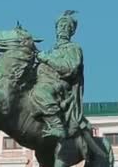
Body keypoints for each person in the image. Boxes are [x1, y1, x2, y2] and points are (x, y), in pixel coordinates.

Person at [32, 10, 86, 139]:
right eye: (60, 26)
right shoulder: (51, 51)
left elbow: (70, 68)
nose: (62, 29)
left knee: (39, 93)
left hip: (60, 86)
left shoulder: (73, 48)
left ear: (71, 31)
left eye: (66, 26)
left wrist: (45, 58)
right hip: (44, 81)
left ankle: (58, 126)